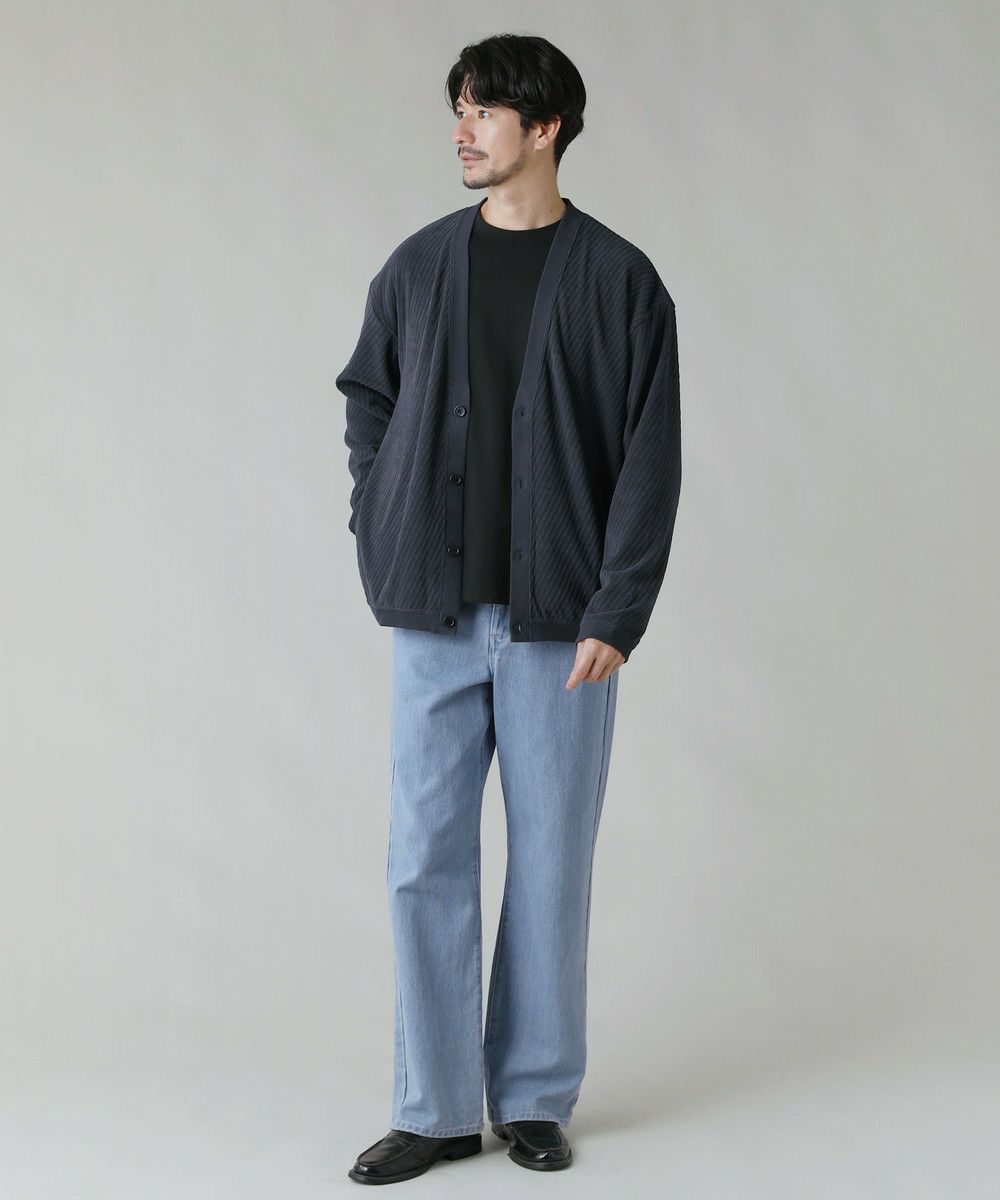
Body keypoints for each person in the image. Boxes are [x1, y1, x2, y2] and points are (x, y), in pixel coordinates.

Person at [338, 33, 682, 1185]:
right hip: (433, 616)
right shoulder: (417, 267)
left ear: (545, 128)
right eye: (459, 108)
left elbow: (649, 458)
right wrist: (378, 518)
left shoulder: (620, 282)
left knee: (550, 863)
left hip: (561, 625)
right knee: (421, 857)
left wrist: (618, 608)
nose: (461, 129)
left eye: (483, 111)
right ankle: (435, 1109)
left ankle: (531, 1098)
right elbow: (368, 397)